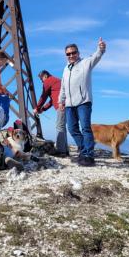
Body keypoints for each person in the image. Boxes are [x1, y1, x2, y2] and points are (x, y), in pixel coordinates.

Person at [58, 37, 106, 167]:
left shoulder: (85, 63)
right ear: (66, 55)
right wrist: (61, 101)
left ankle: (88, 155)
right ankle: (84, 149)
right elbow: (63, 86)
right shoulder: (66, 68)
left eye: (73, 53)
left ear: (78, 53)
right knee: (72, 128)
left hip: (83, 102)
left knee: (85, 128)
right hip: (69, 104)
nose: (71, 55)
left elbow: (96, 57)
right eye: (68, 54)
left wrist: (101, 49)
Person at [33, 70, 69, 157]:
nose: (42, 81)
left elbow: (43, 96)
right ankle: (65, 150)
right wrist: (43, 109)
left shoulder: (48, 81)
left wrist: (37, 108)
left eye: (41, 79)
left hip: (62, 106)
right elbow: (52, 100)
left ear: (45, 76)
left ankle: (61, 151)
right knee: (62, 127)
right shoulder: (56, 81)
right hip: (67, 104)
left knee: (60, 126)